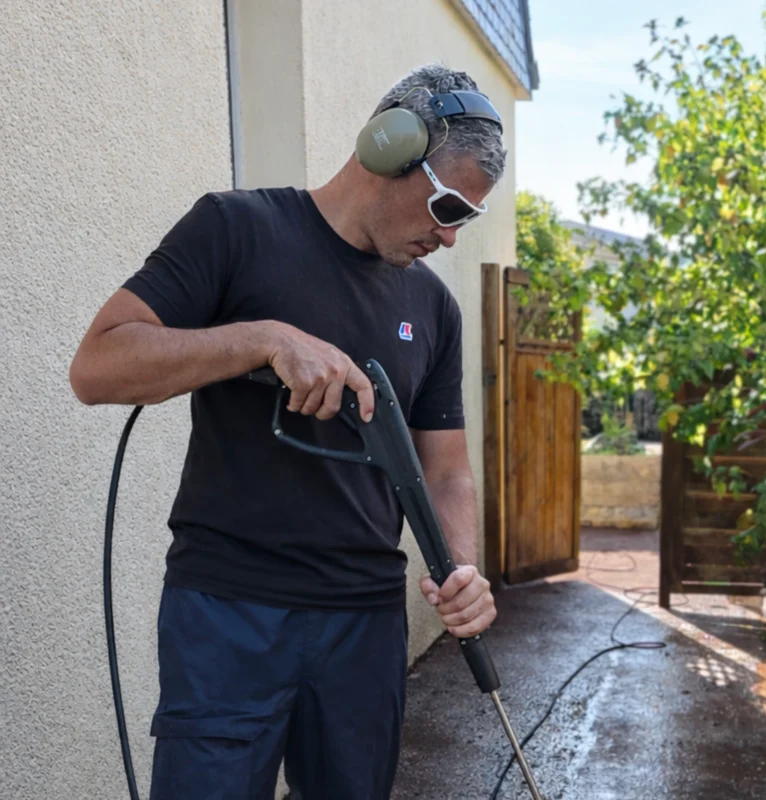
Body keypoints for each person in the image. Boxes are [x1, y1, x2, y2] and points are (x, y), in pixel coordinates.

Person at [69, 63, 504, 800]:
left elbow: (447, 470)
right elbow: (98, 365)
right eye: (447, 205)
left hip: (363, 626)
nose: (449, 236)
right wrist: (259, 338)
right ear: (389, 148)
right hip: (228, 614)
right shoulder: (236, 229)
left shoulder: (433, 308)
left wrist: (461, 568)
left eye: (466, 217)